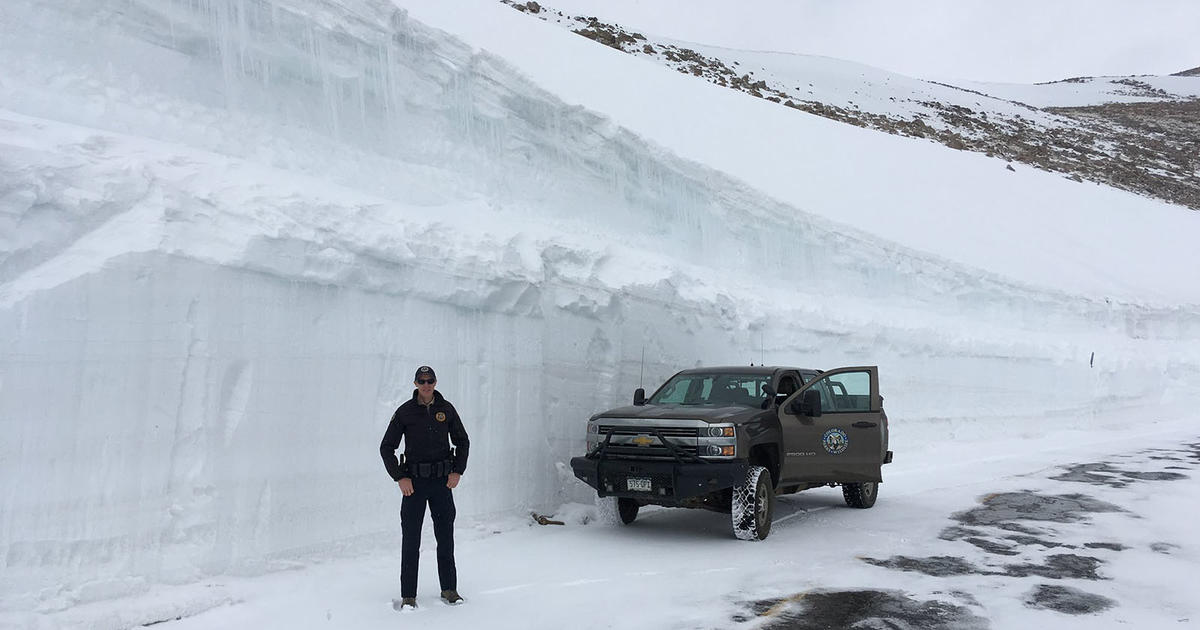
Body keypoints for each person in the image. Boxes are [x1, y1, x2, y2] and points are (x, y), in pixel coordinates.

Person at [380, 365, 470, 610]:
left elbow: (462, 441)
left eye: (430, 380)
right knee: (411, 539)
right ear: (416, 384)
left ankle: (449, 589)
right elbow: (386, 447)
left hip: (442, 484)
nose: (426, 385)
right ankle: (409, 595)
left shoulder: (446, 410)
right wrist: (400, 477)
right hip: (414, 486)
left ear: (435, 382)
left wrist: (457, 471)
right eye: (422, 381)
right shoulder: (405, 412)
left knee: (445, 537)